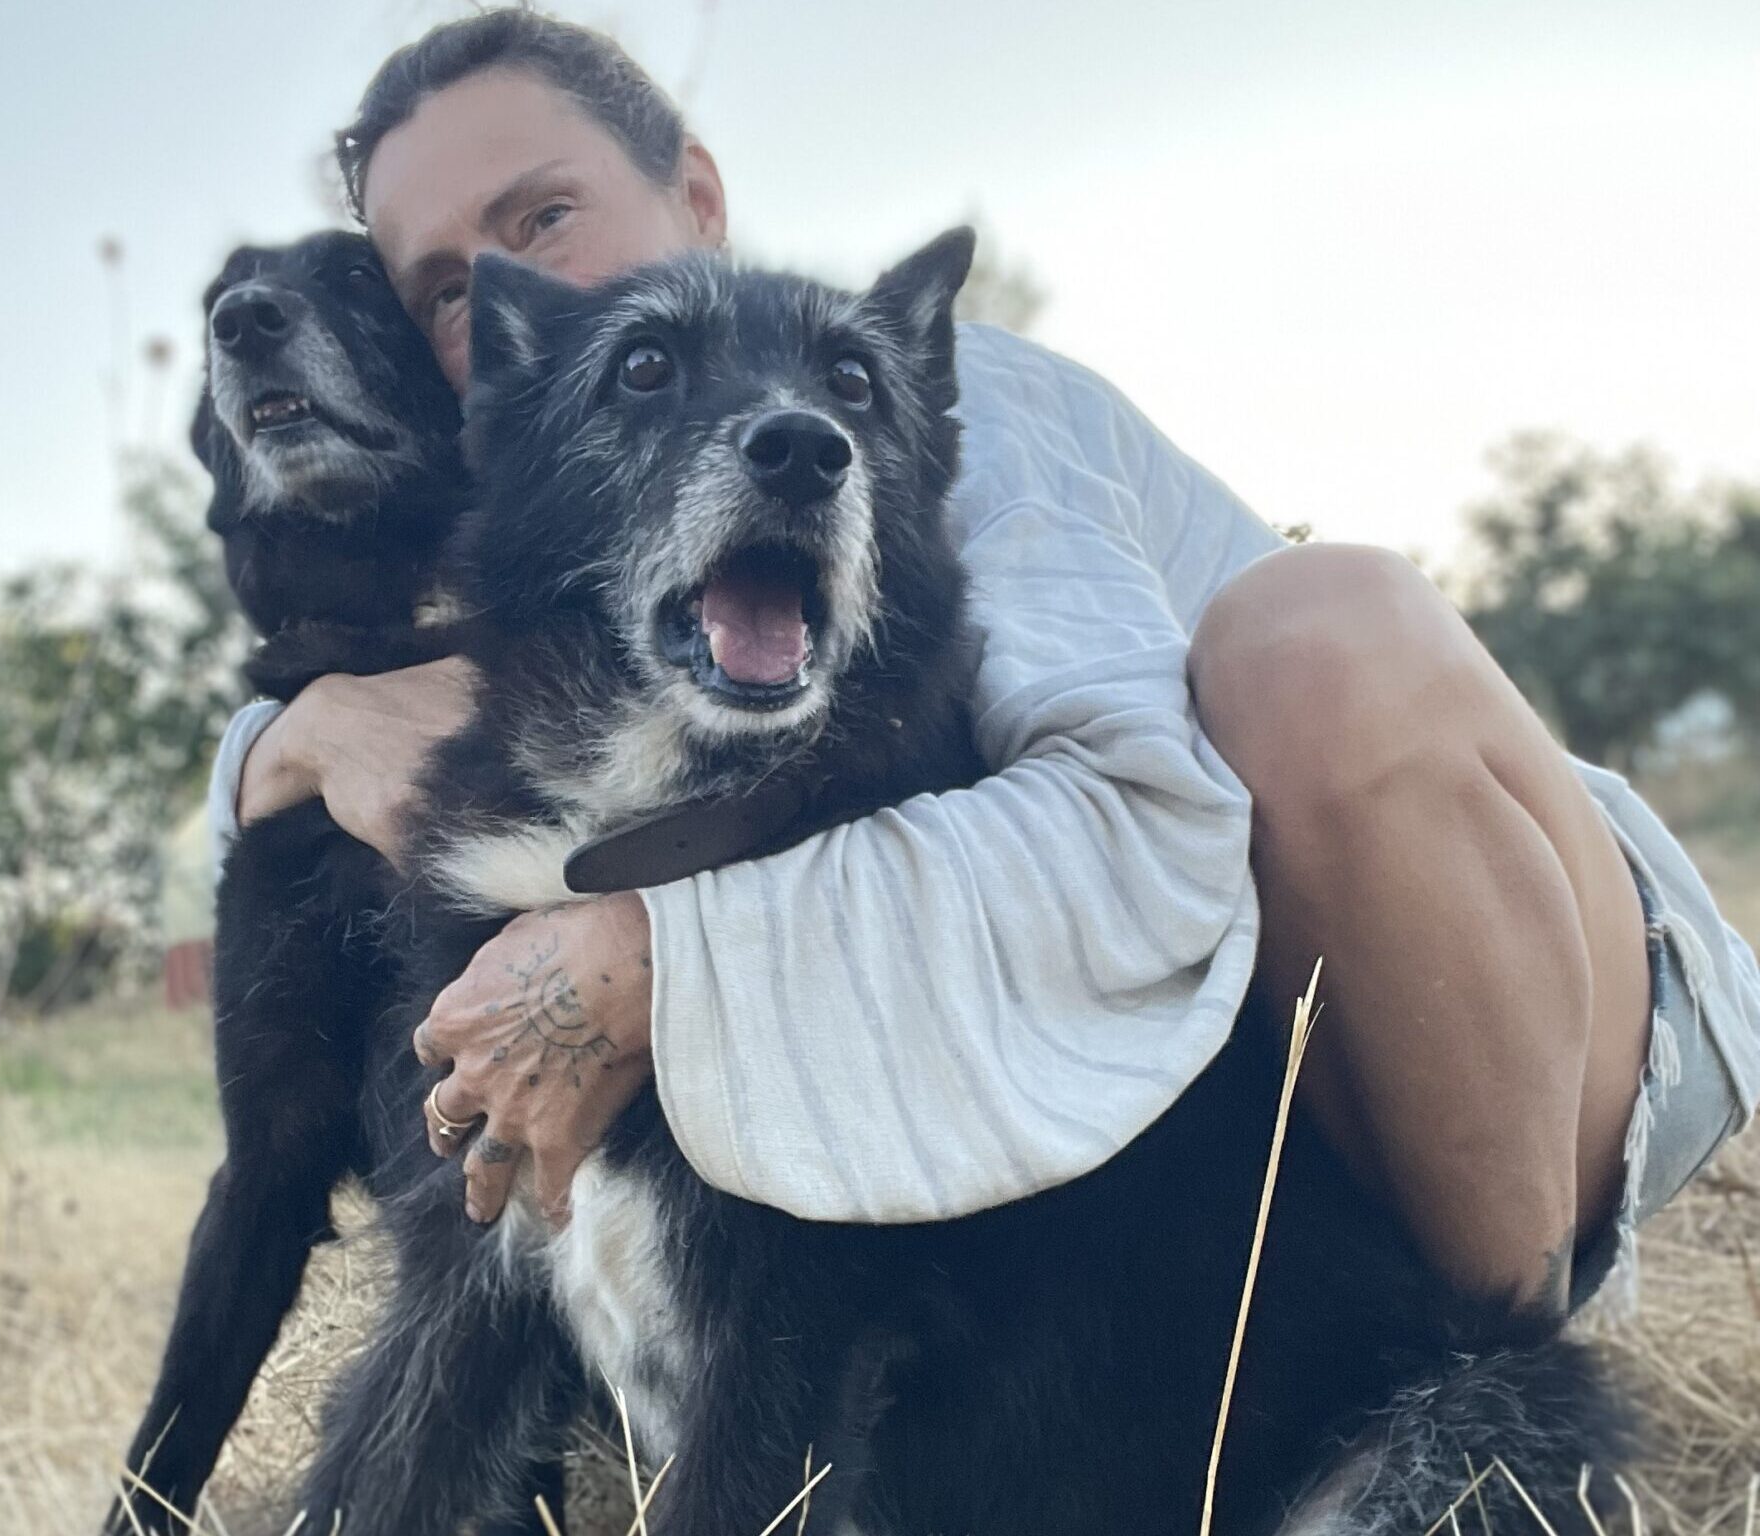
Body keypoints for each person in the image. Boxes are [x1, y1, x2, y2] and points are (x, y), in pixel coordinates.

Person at [209, 8, 1758, 1314]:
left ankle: (1504, 1397)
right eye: (450, 293)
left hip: (1551, 1007)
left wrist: (647, 964)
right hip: (1239, 1148)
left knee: (1315, 638)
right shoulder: (583, 517)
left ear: (695, 193)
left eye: (542, 216)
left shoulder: (898, 416)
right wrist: (294, 737)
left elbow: (1142, 828)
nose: (517, 297)